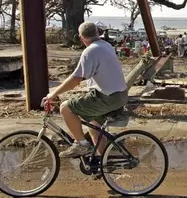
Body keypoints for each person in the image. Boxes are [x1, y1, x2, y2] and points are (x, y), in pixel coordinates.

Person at [42, 22, 128, 158]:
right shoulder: (106, 46)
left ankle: (81, 145)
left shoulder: (90, 51)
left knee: (65, 108)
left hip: (108, 97)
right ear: (97, 33)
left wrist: (53, 94)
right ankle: (103, 162)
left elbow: (75, 80)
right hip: (121, 96)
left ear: (81, 38)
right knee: (94, 125)